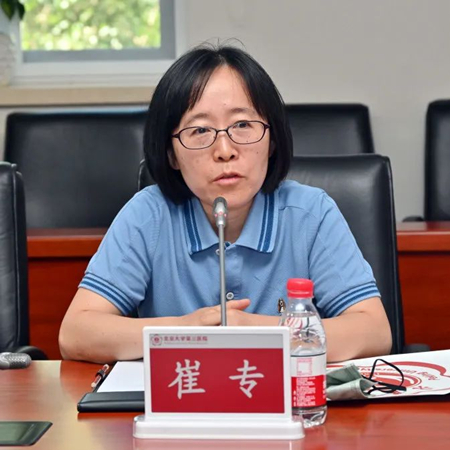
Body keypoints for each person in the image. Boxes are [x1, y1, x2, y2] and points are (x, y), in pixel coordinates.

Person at [59, 44, 392, 364]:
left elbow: (373, 330)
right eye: (200, 130)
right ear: (171, 154)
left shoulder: (310, 213)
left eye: (243, 125)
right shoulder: (149, 215)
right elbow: (76, 333)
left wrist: (259, 331)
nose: (224, 150)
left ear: (272, 140)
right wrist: (188, 330)